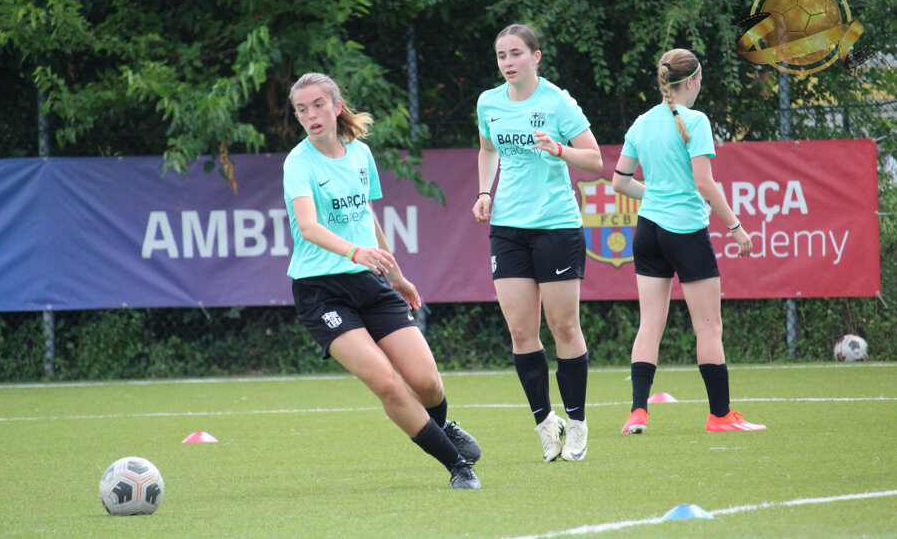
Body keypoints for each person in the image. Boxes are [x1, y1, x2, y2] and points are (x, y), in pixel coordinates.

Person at [283, 72, 482, 489]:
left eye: (318, 105)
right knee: (387, 384)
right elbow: (309, 227)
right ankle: (458, 467)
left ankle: (442, 426)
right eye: (302, 109)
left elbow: (365, 217)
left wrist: (396, 276)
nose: (311, 115)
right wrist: (355, 253)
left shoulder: (360, 154)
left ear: (336, 106)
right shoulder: (298, 163)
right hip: (321, 292)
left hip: (370, 282)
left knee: (427, 383)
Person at [611, 48, 766, 434]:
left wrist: (657, 194)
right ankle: (721, 416)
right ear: (693, 80)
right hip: (685, 233)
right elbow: (704, 183)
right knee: (709, 327)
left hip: (648, 232)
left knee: (649, 324)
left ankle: (637, 412)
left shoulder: (642, 123)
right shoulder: (695, 120)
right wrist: (736, 227)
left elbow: (620, 182)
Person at [473, 24, 603, 462]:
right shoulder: (489, 102)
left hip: (556, 225)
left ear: (535, 57)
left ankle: (578, 424)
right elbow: (487, 149)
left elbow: (596, 160)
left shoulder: (558, 102)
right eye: (501, 55)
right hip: (507, 227)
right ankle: (547, 424)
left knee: (564, 328)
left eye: (516, 53)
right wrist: (485, 192)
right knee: (520, 331)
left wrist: (559, 149)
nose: (508, 62)